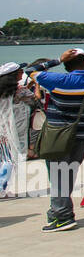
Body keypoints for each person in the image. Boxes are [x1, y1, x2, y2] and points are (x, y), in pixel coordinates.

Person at [30, 49, 84, 231]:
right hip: (82, 136)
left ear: (66, 65)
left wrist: (57, 59)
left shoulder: (60, 81)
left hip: (58, 135)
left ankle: (64, 217)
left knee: (58, 176)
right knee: (67, 175)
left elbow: (31, 72)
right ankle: (55, 213)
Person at [0, 62, 40, 198]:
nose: (22, 73)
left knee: (3, 158)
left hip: (2, 129)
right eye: (20, 71)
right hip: (14, 131)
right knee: (10, 159)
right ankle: (1, 187)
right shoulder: (20, 90)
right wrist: (37, 85)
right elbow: (35, 100)